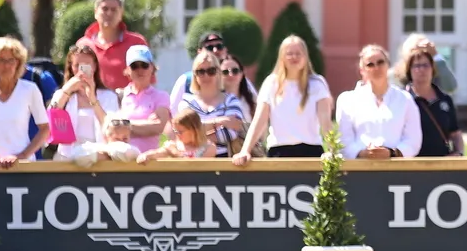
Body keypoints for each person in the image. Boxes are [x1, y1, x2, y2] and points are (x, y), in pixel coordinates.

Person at [233, 36, 333, 164]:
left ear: (305, 56)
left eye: (298, 53)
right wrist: (245, 150)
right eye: (289, 53)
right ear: (282, 57)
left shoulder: (317, 83)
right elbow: (259, 120)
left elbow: (325, 120)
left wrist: (332, 150)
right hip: (279, 151)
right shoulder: (271, 83)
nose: (294, 57)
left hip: (311, 151)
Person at [336, 44, 421, 159]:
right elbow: (344, 141)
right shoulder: (347, 100)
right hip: (360, 168)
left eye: (380, 62)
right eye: (370, 64)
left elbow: (413, 140)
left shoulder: (405, 99)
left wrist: (392, 153)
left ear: (388, 66)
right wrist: (362, 153)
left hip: (396, 167)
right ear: (362, 70)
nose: (376, 67)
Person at [49, 42, 120, 162]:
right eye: (77, 65)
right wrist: (67, 90)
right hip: (68, 156)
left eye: (86, 65)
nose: (81, 70)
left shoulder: (109, 96)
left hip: (100, 156)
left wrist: (92, 97)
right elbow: (50, 117)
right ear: (71, 67)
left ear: (95, 66)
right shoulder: (63, 94)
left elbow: (111, 127)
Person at [173, 51, 249, 159]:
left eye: (211, 71)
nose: (206, 75)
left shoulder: (231, 100)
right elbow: (185, 131)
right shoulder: (186, 102)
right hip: (194, 160)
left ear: (218, 72)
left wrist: (198, 132)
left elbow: (232, 133)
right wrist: (219, 122)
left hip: (225, 160)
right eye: (201, 71)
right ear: (195, 75)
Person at [0, 36, 50, 167]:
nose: (7, 66)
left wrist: (22, 156)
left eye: (11, 60)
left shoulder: (30, 89)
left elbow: (45, 129)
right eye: (1, 60)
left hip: (23, 167)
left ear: (18, 63)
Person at [79, 0, 147, 91]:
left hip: (127, 104)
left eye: (114, 9)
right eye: (105, 9)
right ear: (95, 12)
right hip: (92, 103)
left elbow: (147, 80)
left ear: (121, 13)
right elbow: (78, 79)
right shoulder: (84, 45)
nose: (109, 13)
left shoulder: (137, 43)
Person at [401, 45, 462, 157]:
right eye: (417, 66)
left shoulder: (445, 99)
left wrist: (458, 152)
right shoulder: (402, 99)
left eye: (425, 65)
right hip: (410, 163)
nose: (421, 69)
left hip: (442, 163)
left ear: (433, 69)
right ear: (409, 70)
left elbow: (455, 132)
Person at [114, 45, 171, 154]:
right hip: (122, 162)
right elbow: (112, 130)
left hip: (148, 162)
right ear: (127, 69)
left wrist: (124, 125)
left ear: (152, 67)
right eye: (135, 66)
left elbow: (158, 127)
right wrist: (145, 125)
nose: (140, 70)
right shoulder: (119, 95)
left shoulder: (161, 96)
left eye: (144, 65)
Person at [139, 107, 215, 162]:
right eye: (175, 131)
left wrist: (177, 153)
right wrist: (147, 155)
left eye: (180, 132)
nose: (177, 135)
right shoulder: (174, 146)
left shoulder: (208, 147)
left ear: (193, 130)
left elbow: (195, 167)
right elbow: (158, 153)